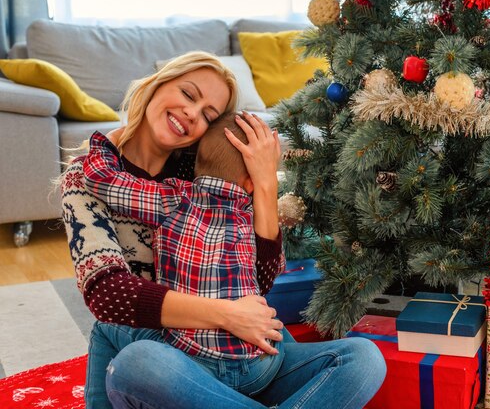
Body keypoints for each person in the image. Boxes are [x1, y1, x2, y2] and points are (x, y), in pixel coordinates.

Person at [60, 50, 386, 409]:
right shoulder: (82, 177)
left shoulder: (200, 168)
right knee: (137, 364)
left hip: (231, 349)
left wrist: (265, 185)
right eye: (188, 94)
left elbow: (258, 281)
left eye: (207, 115)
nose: (191, 113)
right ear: (158, 83)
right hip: (174, 355)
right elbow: (107, 295)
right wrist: (229, 315)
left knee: (362, 359)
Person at [82, 114, 285, 387]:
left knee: (105, 327)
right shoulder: (251, 214)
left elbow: (102, 180)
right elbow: (270, 276)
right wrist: (266, 186)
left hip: (189, 357)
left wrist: (106, 143)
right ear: (253, 181)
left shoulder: (173, 199)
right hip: (259, 364)